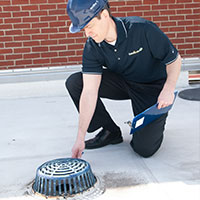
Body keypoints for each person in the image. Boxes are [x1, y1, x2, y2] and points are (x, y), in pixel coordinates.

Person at [65, 0, 182, 159]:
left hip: (152, 88)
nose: (87, 34)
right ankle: (110, 131)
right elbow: (89, 91)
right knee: (75, 83)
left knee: (144, 149)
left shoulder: (142, 29)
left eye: (89, 26)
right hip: (123, 82)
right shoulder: (92, 47)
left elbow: (174, 60)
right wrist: (80, 138)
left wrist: (168, 90)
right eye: (83, 29)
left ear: (104, 15)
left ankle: (154, 123)